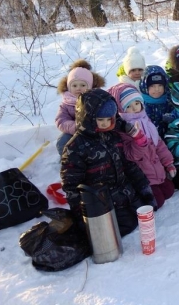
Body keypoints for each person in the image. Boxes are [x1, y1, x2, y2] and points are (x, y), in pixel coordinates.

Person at [60, 89, 156, 237]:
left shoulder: (113, 136)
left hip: (125, 193)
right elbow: (72, 185)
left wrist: (144, 188)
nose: (106, 124)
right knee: (123, 227)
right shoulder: (75, 147)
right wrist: (81, 215)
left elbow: (128, 165)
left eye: (109, 119)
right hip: (102, 201)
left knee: (144, 214)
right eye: (101, 120)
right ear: (89, 118)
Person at [107, 83, 176, 210]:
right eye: (129, 106)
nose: (134, 108)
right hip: (142, 176)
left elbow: (159, 145)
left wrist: (168, 163)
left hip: (157, 169)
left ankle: (159, 181)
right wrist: (139, 140)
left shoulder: (145, 120)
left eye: (137, 103)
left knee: (169, 191)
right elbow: (131, 155)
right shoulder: (123, 129)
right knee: (157, 202)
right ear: (120, 108)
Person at [55, 59, 105, 156]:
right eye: (74, 85)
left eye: (82, 85)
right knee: (62, 142)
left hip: (94, 131)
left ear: (90, 86)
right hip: (74, 131)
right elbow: (61, 120)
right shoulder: (66, 103)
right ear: (69, 87)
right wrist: (76, 127)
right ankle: (68, 161)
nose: (78, 88)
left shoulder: (96, 99)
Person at [138, 65, 173, 138]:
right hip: (151, 139)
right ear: (145, 87)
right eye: (152, 86)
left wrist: (172, 117)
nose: (157, 89)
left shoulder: (169, 100)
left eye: (160, 85)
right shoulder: (141, 104)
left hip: (170, 136)